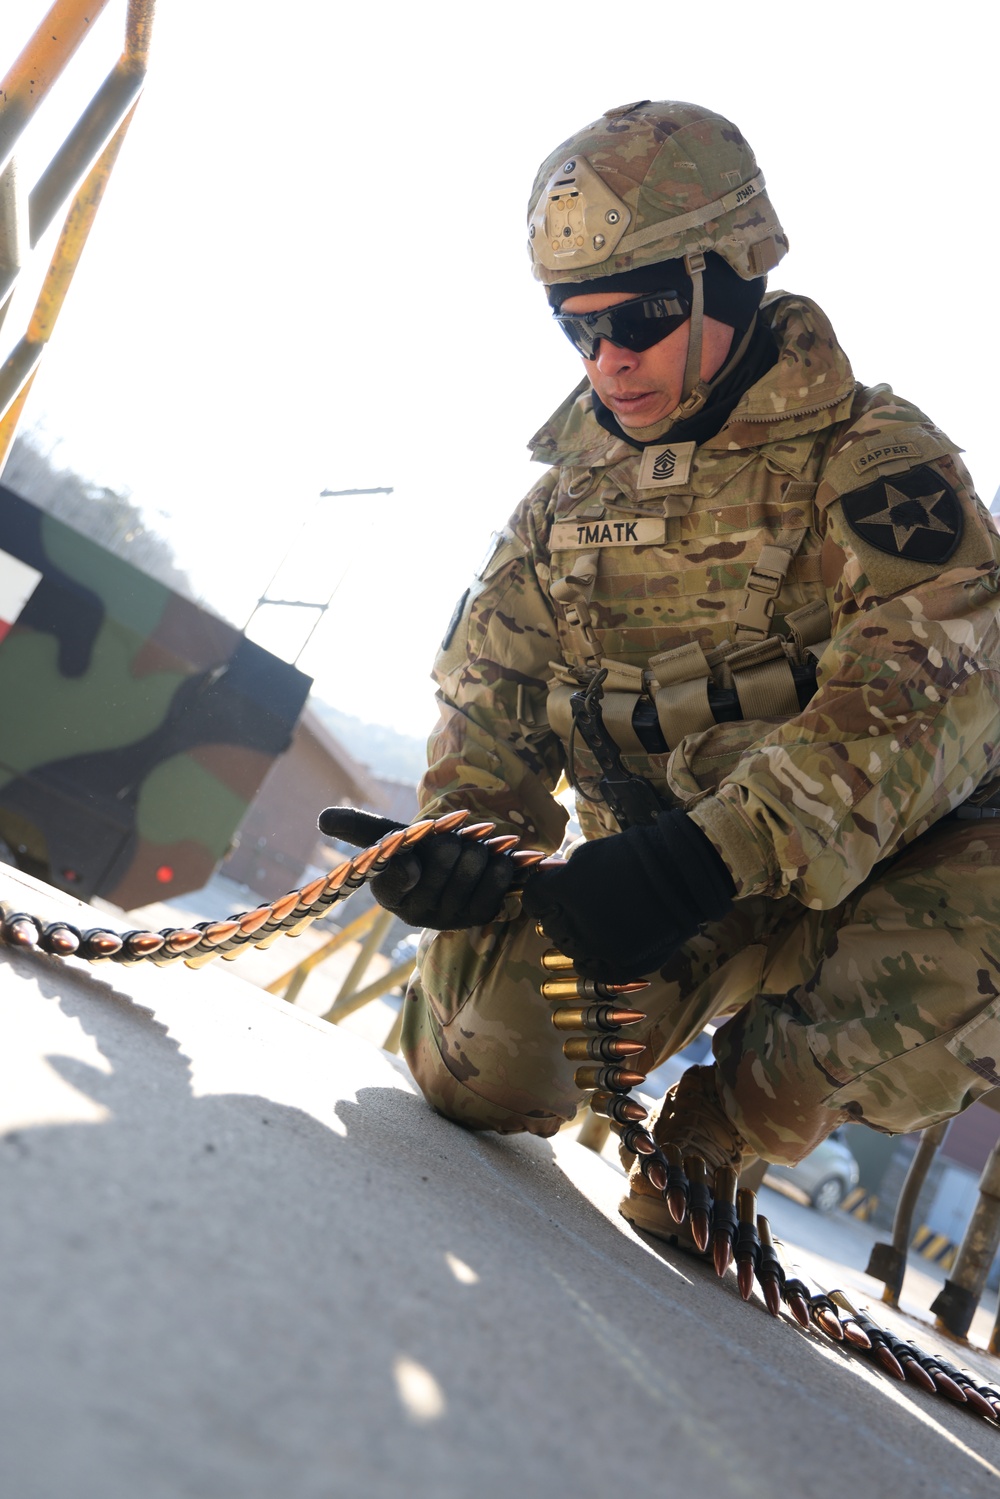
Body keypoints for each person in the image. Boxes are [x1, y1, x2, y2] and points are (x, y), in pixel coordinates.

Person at [321, 100, 1000, 1242]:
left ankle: (729, 1120)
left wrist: (708, 857)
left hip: (894, 878)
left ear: (728, 277)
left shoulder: (878, 465)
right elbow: (492, 696)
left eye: (638, 315)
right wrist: (462, 837)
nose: (607, 358)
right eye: (573, 327)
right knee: (478, 1067)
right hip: (650, 883)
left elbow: (935, 689)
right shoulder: (567, 501)